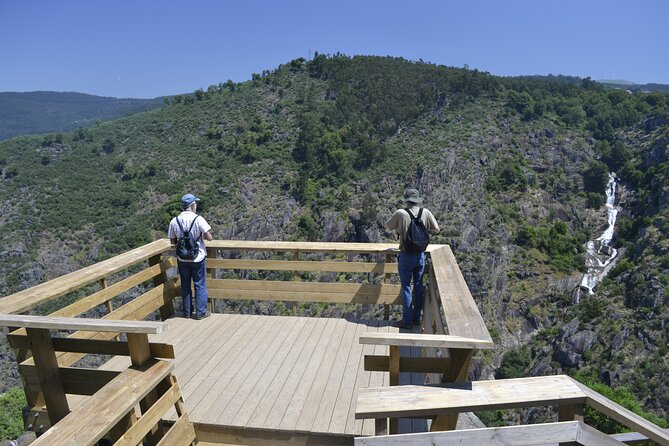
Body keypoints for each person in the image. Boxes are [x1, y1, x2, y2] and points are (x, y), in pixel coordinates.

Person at [384, 188, 440, 329]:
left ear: (406, 200)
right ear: (417, 199)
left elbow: (387, 226)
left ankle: (407, 322)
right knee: (419, 286)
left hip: (406, 255)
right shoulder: (425, 212)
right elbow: (436, 229)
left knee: (406, 288)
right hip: (420, 255)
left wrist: (401, 227)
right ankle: (416, 319)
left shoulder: (401, 213)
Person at [168, 193, 213, 319]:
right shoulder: (198, 219)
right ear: (192, 205)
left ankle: (187, 313)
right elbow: (209, 238)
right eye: (195, 203)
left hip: (182, 258)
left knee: (185, 284)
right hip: (197, 257)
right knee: (199, 284)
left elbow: (172, 241)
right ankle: (200, 313)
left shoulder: (174, 221)